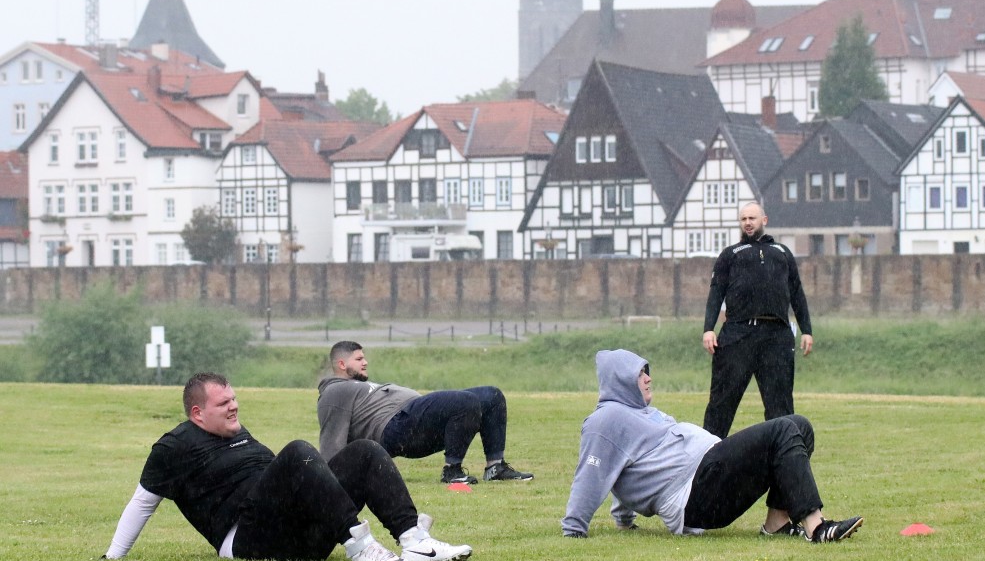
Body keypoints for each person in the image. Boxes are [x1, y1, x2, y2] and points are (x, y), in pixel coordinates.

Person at [103, 372, 472, 561]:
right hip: (247, 541)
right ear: (197, 414)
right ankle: (361, 548)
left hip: (297, 535)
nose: (234, 407)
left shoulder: (234, 430)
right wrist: (114, 558)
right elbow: (143, 502)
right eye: (223, 403)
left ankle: (415, 542)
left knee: (364, 451)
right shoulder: (173, 446)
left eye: (234, 399)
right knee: (298, 452)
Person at [562, 349, 862, 543]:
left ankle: (777, 524)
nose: (649, 378)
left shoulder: (636, 414)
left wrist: (624, 520)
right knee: (783, 429)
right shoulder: (606, 419)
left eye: (646, 371)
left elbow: (628, 465)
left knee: (799, 426)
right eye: (640, 373)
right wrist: (574, 528)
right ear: (620, 380)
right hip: (696, 492)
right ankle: (817, 527)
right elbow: (594, 473)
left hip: (710, 478)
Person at [318, 340, 533, 484]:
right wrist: (331, 478)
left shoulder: (355, 386)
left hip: (416, 421)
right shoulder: (333, 391)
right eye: (358, 359)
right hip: (396, 429)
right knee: (464, 401)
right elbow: (332, 442)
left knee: (491, 396)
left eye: (364, 357)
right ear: (341, 364)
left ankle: (495, 468)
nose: (365, 362)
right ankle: (452, 471)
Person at [701, 201, 814, 438]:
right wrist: (708, 329)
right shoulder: (730, 255)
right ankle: (706, 456)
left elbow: (797, 293)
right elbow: (716, 293)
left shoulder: (782, 253)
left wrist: (807, 330)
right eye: (743, 219)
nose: (747, 223)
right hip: (737, 334)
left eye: (752, 218)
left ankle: (784, 457)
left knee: (780, 407)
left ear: (764, 220)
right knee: (721, 402)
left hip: (776, 336)